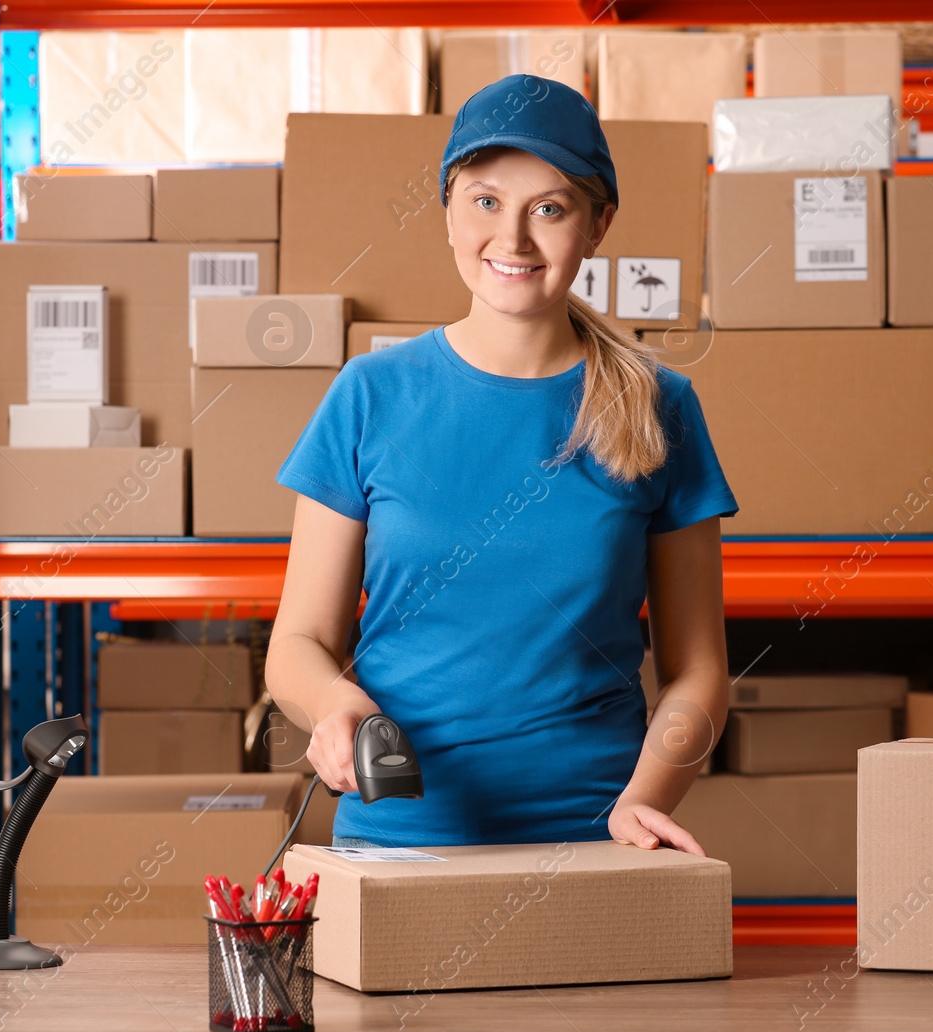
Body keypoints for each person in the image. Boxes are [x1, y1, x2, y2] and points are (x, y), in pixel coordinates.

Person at [265, 73, 738, 853]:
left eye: (548, 209)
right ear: (447, 210)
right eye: (485, 201)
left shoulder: (659, 406)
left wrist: (643, 801)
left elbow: (701, 673)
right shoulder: (370, 395)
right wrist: (332, 706)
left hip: (593, 834)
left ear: (597, 225)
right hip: (403, 831)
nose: (512, 240)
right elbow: (298, 643)